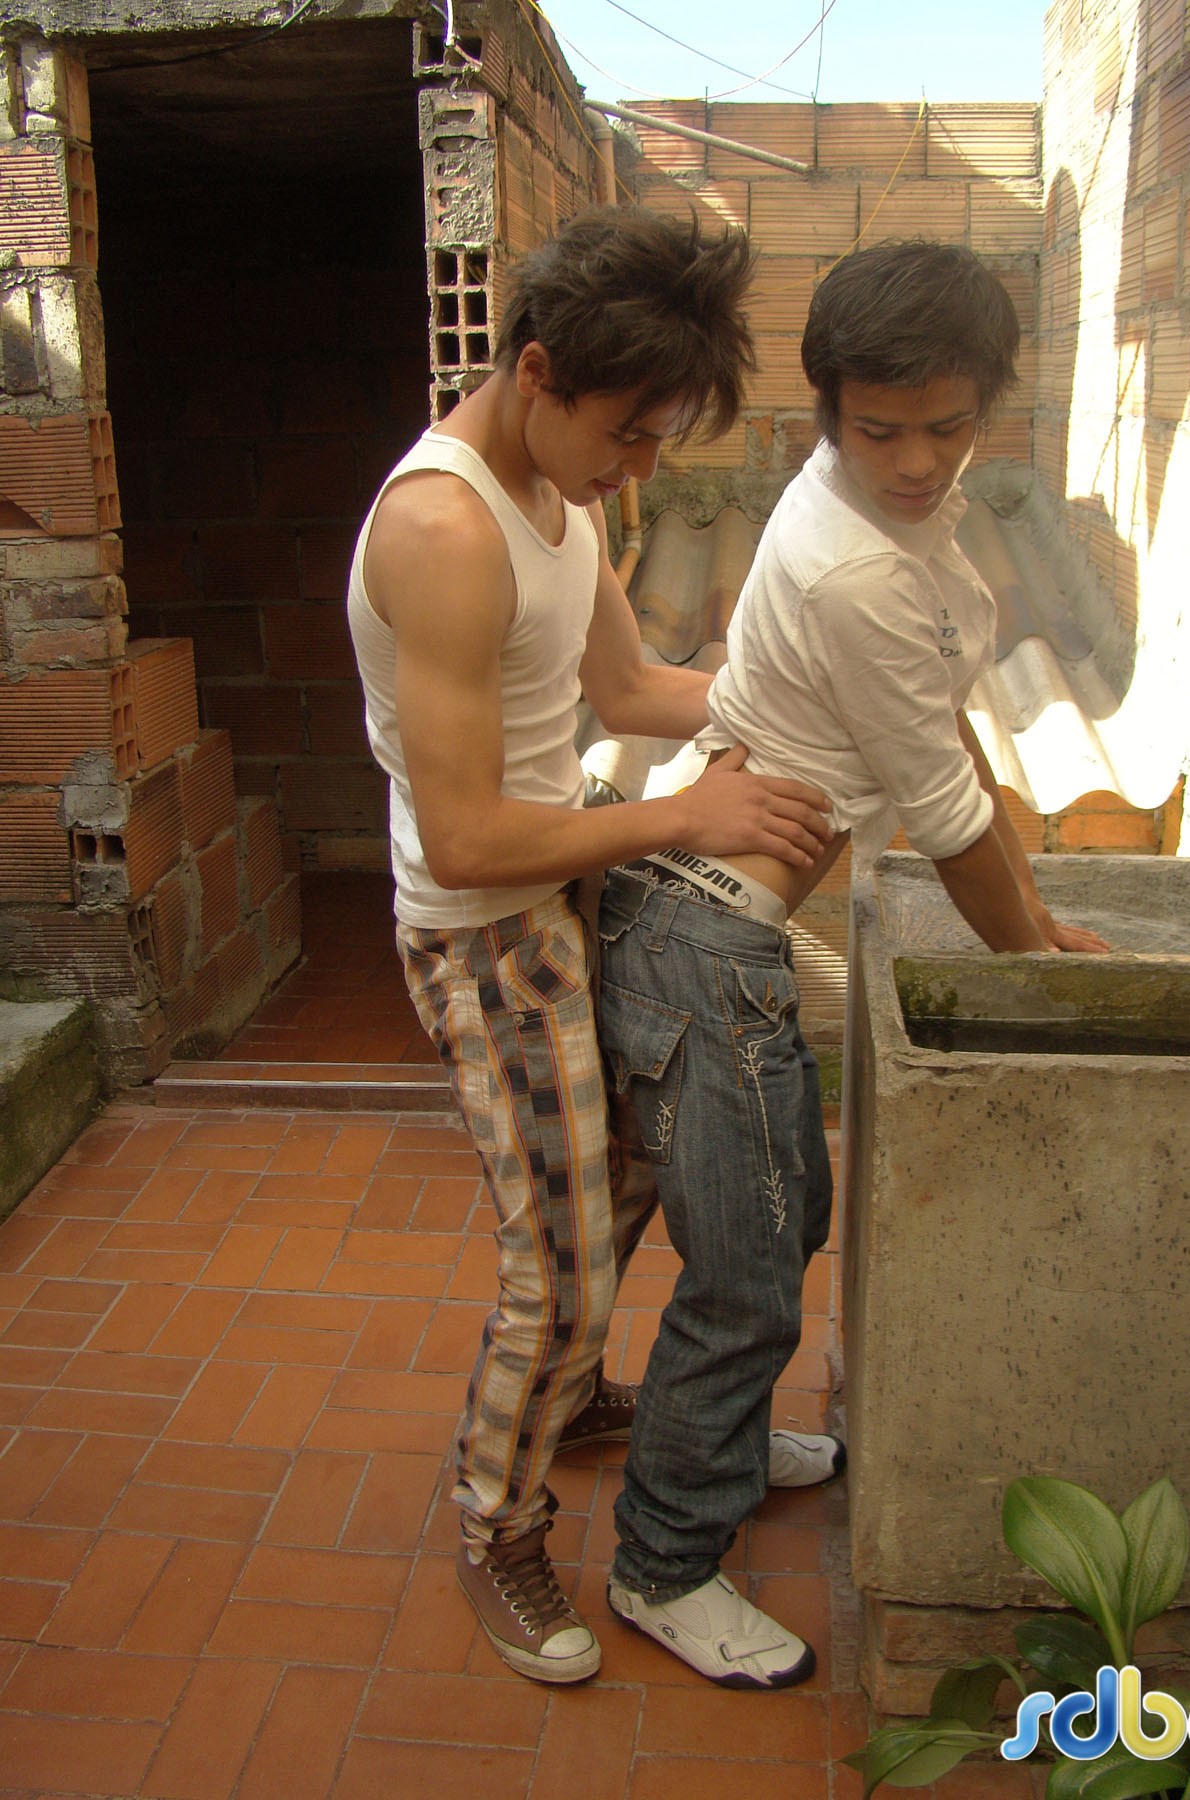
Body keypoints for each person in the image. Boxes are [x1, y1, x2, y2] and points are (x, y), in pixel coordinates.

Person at [597, 239, 1110, 1690]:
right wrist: (1032, 964)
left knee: (782, 1217)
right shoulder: (852, 569)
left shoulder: (889, 517)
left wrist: (1035, 923)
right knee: (748, 1268)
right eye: (878, 429)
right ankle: (661, 1562)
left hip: (720, 925)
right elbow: (945, 809)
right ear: (825, 412)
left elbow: (944, 741)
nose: (915, 460)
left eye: (947, 426)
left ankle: (728, 1439)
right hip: (700, 944)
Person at [345, 206, 834, 1687]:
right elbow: (464, 838)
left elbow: (628, 688)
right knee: (553, 1274)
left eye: (657, 441)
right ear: (539, 369)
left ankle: (569, 1401)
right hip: (485, 935)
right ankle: (497, 1523)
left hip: (562, 888)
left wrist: (801, 703)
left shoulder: (561, 494)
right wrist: (684, 817)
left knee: (623, 1178)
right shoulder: (443, 532)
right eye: (627, 436)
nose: (639, 473)